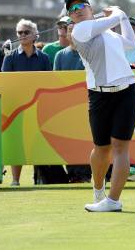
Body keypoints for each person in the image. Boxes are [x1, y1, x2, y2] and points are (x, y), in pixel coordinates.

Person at [66, 0, 135, 212]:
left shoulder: (108, 33)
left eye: (81, 6)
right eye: (72, 9)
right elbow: (112, 20)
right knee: (101, 148)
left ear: (90, 8)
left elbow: (132, 43)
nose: (77, 10)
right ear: (70, 16)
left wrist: (122, 17)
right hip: (100, 95)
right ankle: (98, 191)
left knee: (120, 147)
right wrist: (118, 13)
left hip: (127, 91)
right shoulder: (79, 30)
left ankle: (113, 201)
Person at [2, 19, 52, 186]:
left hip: (39, 105)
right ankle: (15, 180)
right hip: (17, 106)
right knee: (18, 143)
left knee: (38, 141)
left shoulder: (44, 57)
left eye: (26, 32)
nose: (22, 35)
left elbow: (48, 82)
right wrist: (6, 54)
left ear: (35, 35)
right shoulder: (11, 56)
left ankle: (38, 177)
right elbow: (5, 79)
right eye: (20, 33)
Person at [53, 23, 92, 183]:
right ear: (66, 34)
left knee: (87, 140)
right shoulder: (60, 55)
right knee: (70, 140)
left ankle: (85, 174)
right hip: (67, 107)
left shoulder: (89, 53)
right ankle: (72, 174)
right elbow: (56, 81)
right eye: (70, 30)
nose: (72, 33)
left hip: (88, 103)